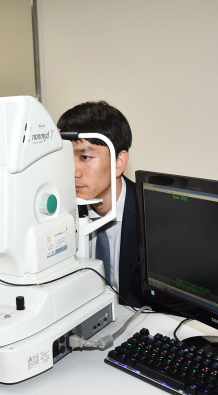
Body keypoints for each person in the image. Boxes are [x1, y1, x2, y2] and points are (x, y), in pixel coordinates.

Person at [57, 101, 142, 307]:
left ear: (119, 162)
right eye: (65, 157)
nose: (73, 172)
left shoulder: (152, 218)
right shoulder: (58, 214)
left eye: (85, 157)